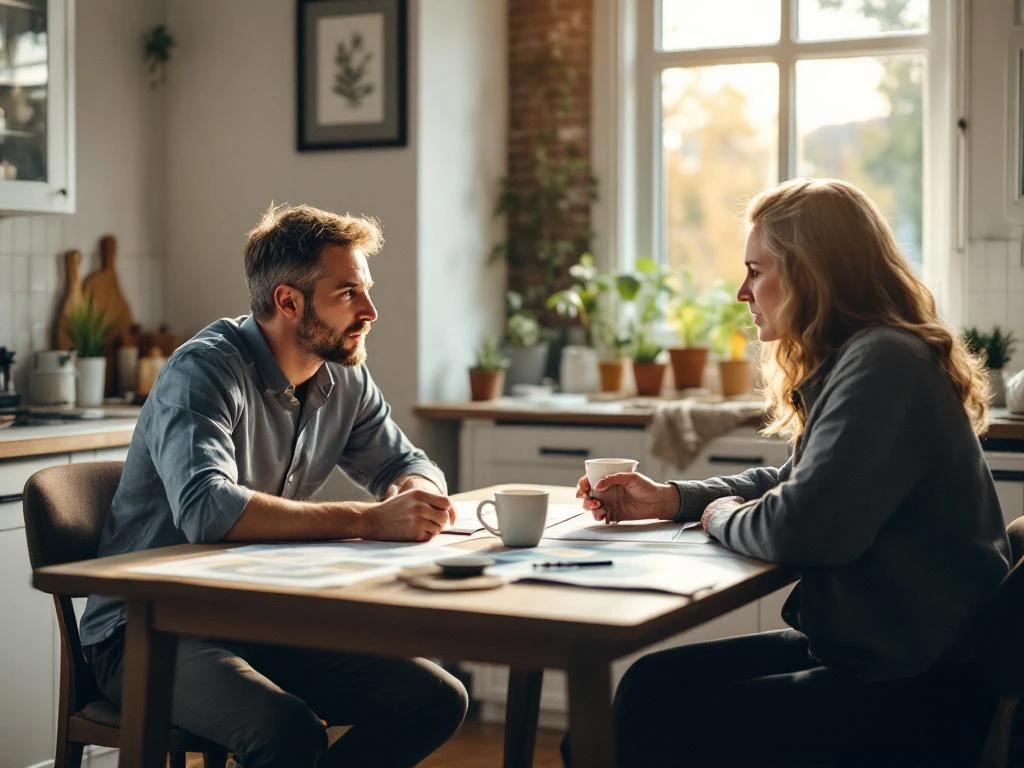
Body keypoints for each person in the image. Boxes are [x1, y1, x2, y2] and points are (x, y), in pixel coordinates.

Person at [567, 178, 1011, 767]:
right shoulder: (865, 355)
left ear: (811, 273)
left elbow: (802, 526)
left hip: (915, 687)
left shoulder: (882, 363)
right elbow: (790, 485)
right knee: (649, 683)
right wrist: (671, 499)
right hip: (880, 651)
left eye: (756, 270)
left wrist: (721, 517)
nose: (741, 292)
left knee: (634, 730)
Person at [79, 203, 468, 768]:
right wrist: (369, 519)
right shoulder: (204, 372)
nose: (370, 310)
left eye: (367, 290)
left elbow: (407, 461)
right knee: (288, 732)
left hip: (258, 619)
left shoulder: (344, 373)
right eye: (348, 294)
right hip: (148, 633)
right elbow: (208, 510)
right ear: (289, 301)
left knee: (434, 699)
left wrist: (413, 489)